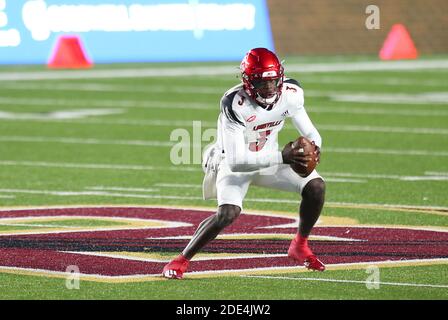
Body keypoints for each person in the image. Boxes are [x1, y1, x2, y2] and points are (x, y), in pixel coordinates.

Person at [162, 48, 326, 279]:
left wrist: (315, 148)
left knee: (316, 187)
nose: (269, 88)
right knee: (227, 214)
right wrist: (283, 157)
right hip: (231, 162)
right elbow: (237, 161)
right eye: (261, 82)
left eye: (272, 81)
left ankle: (300, 245)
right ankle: (181, 259)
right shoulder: (235, 103)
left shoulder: (291, 92)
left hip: (270, 158)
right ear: (247, 81)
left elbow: (310, 131)